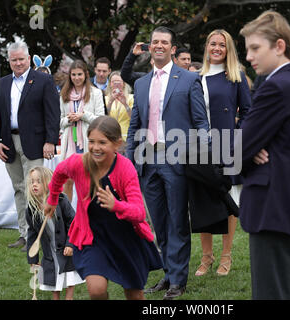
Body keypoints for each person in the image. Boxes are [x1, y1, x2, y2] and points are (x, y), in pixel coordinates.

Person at [238, 10, 290, 300]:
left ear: (280, 46)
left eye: (255, 48)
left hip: (274, 208)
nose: (248, 57)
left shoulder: (277, 87)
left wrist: (245, 149)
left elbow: (235, 149)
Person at [126, 26, 210, 300]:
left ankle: (178, 281)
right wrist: (129, 160)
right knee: (159, 222)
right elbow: (134, 126)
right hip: (147, 161)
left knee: (176, 222)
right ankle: (169, 272)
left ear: (173, 49)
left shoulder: (188, 79)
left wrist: (201, 156)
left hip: (177, 160)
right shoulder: (140, 84)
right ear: (149, 47)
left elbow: (201, 123)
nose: (158, 45)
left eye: (164, 42)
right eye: (154, 42)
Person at [44, 116, 162, 300]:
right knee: (96, 290)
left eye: (102, 142)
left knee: (134, 295)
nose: (95, 147)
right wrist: (52, 199)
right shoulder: (78, 162)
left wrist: (116, 205)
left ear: (117, 144)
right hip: (93, 238)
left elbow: (139, 213)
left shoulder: (125, 168)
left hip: (126, 238)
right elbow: (59, 172)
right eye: (91, 141)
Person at [0, 41, 60, 251]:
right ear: (9, 61)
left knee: (36, 189)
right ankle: (24, 234)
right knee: (19, 189)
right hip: (8, 143)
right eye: (14, 60)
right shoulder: (2, 83)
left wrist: (50, 141)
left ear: (29, 59)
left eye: (21, 59)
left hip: (35, 143)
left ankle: (41, 234)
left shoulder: (43, 80)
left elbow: (53, 113)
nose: (18, 63)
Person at [194, 29, 251, 277]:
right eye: (213, 43)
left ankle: (226, 256)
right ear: (206, 46)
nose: (217, 48)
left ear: (228, 49)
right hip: (198, 149)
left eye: (222, 45)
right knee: (202, 202)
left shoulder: (235, 77)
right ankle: (206, 257)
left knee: (229, 202)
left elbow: (248, 112)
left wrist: (236, 136)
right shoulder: (194, 77)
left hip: (227, 147)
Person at [26, 166, 84, 300]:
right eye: (32, 182)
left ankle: (69, 298)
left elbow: (74, 223)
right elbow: (32, 234)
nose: (34, 184)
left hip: (65, 246)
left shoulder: (61, 200)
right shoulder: (31, 209)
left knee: (69, 274)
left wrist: (70, 243)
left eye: (38, 181)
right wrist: (33, 259)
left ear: (48, 183)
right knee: (54, 276)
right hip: (50, 250)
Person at [59, 59, 105, 201]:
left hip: (87, 143)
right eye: (73, 75)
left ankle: (87, 216)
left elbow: (101, 119)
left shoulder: (95, 93)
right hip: (69, 144)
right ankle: (69, 218)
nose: (76, 78)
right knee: (68, 180)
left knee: (87, 182)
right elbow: (59, 121)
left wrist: (83, 116)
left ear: (85, 74)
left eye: (79, 74)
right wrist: (68, 119)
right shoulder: (64, 94)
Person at [105, 71, 134, 142]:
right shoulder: (105, 99)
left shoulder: (131, 98)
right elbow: (104, 116)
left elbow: (133, 117)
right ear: (110, 84)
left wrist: (125, 104)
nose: (116, 84)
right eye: (114, 82)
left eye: (119, 82)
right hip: (109, 135)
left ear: (124, 83)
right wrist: (110, 101)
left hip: (126, 136)